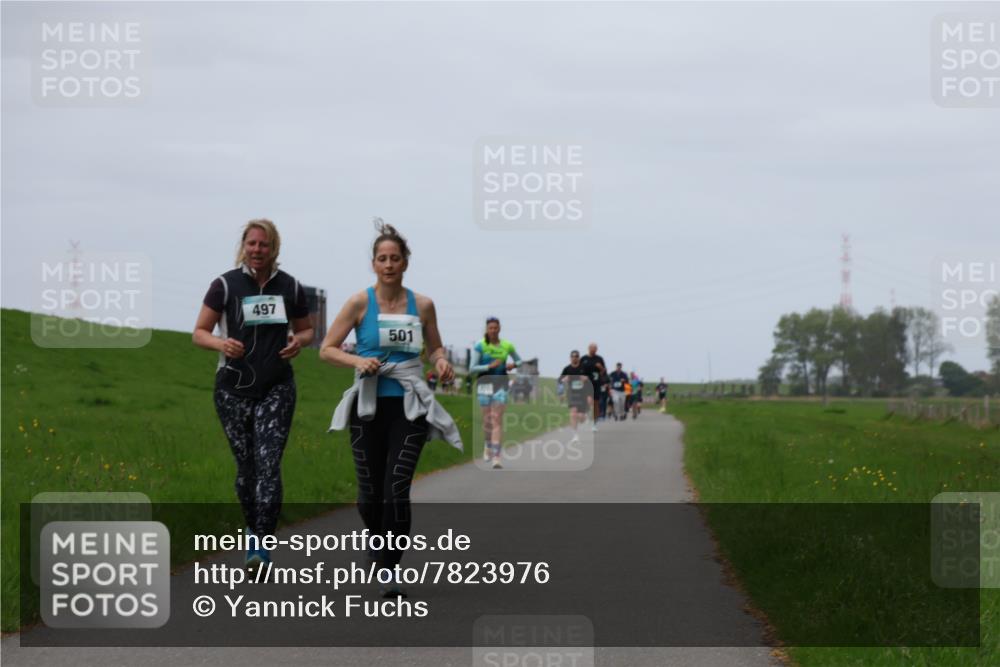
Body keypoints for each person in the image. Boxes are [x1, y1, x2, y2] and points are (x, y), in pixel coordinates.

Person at [323, 220, 462, 598]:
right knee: (370, 494)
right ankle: (377, 544)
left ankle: (388, 569)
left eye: (395, 258)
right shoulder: (358, 303)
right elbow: (327, 348)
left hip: (409, 406)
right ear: (373, 264)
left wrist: (442, 362)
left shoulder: (424, 305)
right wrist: (357, 363)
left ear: (405, 264)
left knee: (396, 488)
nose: (388, 264)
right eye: (382, 258)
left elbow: (435, 349)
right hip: (367, 407)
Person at [193, 219, 314, 569]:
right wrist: (220, 342)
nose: (257, 250)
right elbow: (199, 332)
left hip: (277, 386)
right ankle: (252, 529)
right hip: (232, 389)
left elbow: (306, 331)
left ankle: (261, 544)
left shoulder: (290, 287)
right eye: (252, 244)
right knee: (246, 469)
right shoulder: (225, 285)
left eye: (264, 244)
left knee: (269, 464)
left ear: (274, 247)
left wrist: (297, 342)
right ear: (244, 246)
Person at [470, 317, 522, 468]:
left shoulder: (507, 345)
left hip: (501, 385)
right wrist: (488, 366)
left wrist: (513, 365)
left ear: (499, 329)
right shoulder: (481, 345)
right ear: (487, 329)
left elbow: (519, 361)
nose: (493, 330)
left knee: (497, 420)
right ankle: (487, 445)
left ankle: (497, 457)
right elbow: (472, 368)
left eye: (495, 328)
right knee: (487, 421)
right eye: (490, 328)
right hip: (484, 385)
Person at [559, 350, 590, 444]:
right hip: (572, 394)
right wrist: (562, 391)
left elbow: (589, 382)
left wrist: (589, 395)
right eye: (572, 356)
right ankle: (575, 436)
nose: (574, 358)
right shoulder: (567, 369)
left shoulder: (584, 368)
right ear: (570, 358)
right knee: (573, 413)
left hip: (583, 394)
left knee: (580, 417)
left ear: (578, 358)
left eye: (576, 356)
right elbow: (560, 381)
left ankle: (584, 417)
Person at [578, 343, 606, 432]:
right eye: (592, 349)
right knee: (588, 401)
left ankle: (594, 424)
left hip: (596, 384)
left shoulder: (599, 359)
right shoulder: (583, 359)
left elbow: (603, 371)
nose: (593, 350)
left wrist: (601, 367)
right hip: (586, 384)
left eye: (595, 349)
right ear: (588, 349)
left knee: (596, 403)